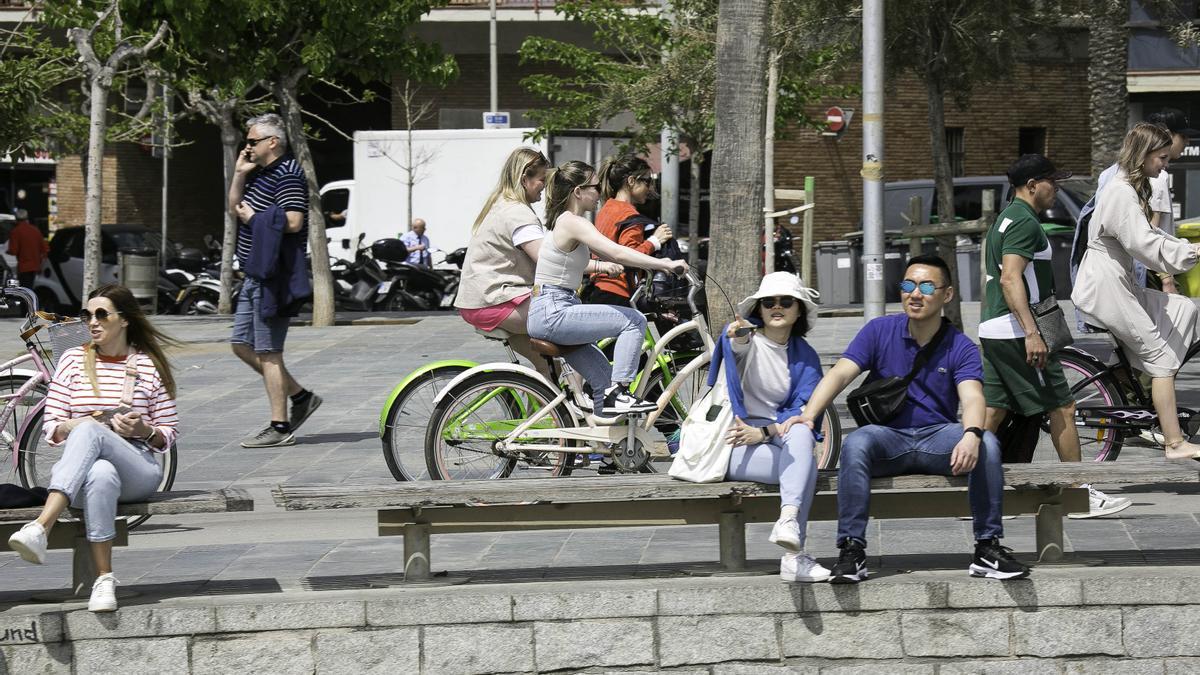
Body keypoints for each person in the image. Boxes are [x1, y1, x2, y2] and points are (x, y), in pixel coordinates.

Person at [798, 255, 1029, 583]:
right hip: (888, 439)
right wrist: (809, 415)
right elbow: (839, 375)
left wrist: (972, 433)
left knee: (988, 443)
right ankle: (852, 550)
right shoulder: (879, 331)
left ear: (946, 295)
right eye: (908, 285)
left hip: (938, 440)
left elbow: (973, 396)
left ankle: (987, 548)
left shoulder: (960, 346)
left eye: (925, 286)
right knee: (857, 442)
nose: (914, 293)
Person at [7, 285, 179, 612]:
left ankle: (41, 527)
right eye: (87, 315)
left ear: (124, 320)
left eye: (102, 314)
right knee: (100, 473)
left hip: (138, 468)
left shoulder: (146, 365)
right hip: (84, 476)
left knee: (90, 433)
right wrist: (81, 424)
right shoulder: (73, 360)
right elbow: (52, 428)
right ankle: (104, 579)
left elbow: (169, 433)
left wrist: (144, 429)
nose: (92, 322)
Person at [980, 154, 1130, 519]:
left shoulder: (1004, 220)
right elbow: (1010, 279)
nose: (1056, 187)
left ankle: (973, 486)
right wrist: (1031, 333)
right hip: (1017, 332)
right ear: (1031, 185)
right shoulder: (1024, 223)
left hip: (995, 329)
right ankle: (1077, 492)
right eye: (1051, 180)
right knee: (1062, 405)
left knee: (994, 411)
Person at [1073, 123, 1200, 460]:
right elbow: (1143, 243)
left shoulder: (1129, 187)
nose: (1165, 164)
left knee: (1183, 308)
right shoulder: (1120, 192)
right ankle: (1174, 442)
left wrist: (1189, 247)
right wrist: (1191, 254)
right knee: (1159, 357)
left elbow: (1151, 236)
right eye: (1161, 157)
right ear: (1143, 155)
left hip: (1119, 282)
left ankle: (1152, 373)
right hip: (1106, 287)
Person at [527, 160, 688, 419]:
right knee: (634, 321)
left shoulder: (566, 222)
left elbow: (566, 263)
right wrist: (664, 264)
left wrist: (601, 267)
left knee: (603, 380)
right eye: (593, 187)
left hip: (553, 308)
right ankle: (622, 392)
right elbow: (616, 250)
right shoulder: (572, 222)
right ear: (578, 192)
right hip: (554, 311)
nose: (599, 193)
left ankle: (605, 448)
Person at [718, 272, 829, 582]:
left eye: (786, 302)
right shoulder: (746, 341)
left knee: (802, 432)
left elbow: (804, 412)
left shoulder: (805, 356)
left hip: (773, 435)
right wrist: (736, 336)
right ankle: (795, 556)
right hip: (735, 442)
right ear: (760, 309)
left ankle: (788, 520)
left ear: (799, 311)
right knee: (803, 466)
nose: (776, 308)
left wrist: (765, 432)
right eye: (769, 302)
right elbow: (735, 346)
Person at [227, 112, 321, 448]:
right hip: (254, 273)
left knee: (268, 352)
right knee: (241, 344)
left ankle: (280, 427)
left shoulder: (289, 174)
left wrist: (255, 217)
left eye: (252, 141)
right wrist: (239, 174)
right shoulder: (259, 173)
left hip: (274, 276)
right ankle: (300, 396)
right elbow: (233, 207)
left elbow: (294, 221)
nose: (247, 146)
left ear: (273, 142)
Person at [455, 147, 556, 378]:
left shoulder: (502, 204)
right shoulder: (518, 213)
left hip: (484, 299)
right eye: (542, 179)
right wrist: (594, 266)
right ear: (524, 179)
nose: (544, 185)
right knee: (571, 321)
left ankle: (548, 411)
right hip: (494, 300)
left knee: (551, 369)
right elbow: (546, 260)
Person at [586, 155, 673, 306]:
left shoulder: (607, 208)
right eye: (647, 181)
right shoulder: (629, 215)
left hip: (599, 288)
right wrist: (654, 241)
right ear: (631, 181)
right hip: (619, 292)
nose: (650, 188)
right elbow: (629, 256)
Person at [7, 209, 47, 290]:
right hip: (36, 266)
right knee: (31, 288)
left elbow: (13, 251)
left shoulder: (15, 231)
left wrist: (7, 252)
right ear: (27, 218)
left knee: (24, 290)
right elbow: (44, 249)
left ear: (16, 219)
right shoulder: (35, 230)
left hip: (24, 267)